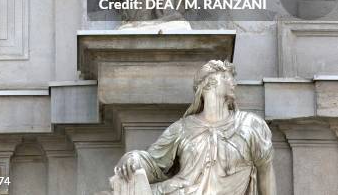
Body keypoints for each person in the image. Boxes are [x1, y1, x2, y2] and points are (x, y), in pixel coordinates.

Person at [114, 60, 277, 195]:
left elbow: (265, 172)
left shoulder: (250, 125)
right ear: (208, 84)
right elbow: (154, 162)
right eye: (227, 78)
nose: (234, 83)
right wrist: (132, 159)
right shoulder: (183, 128)